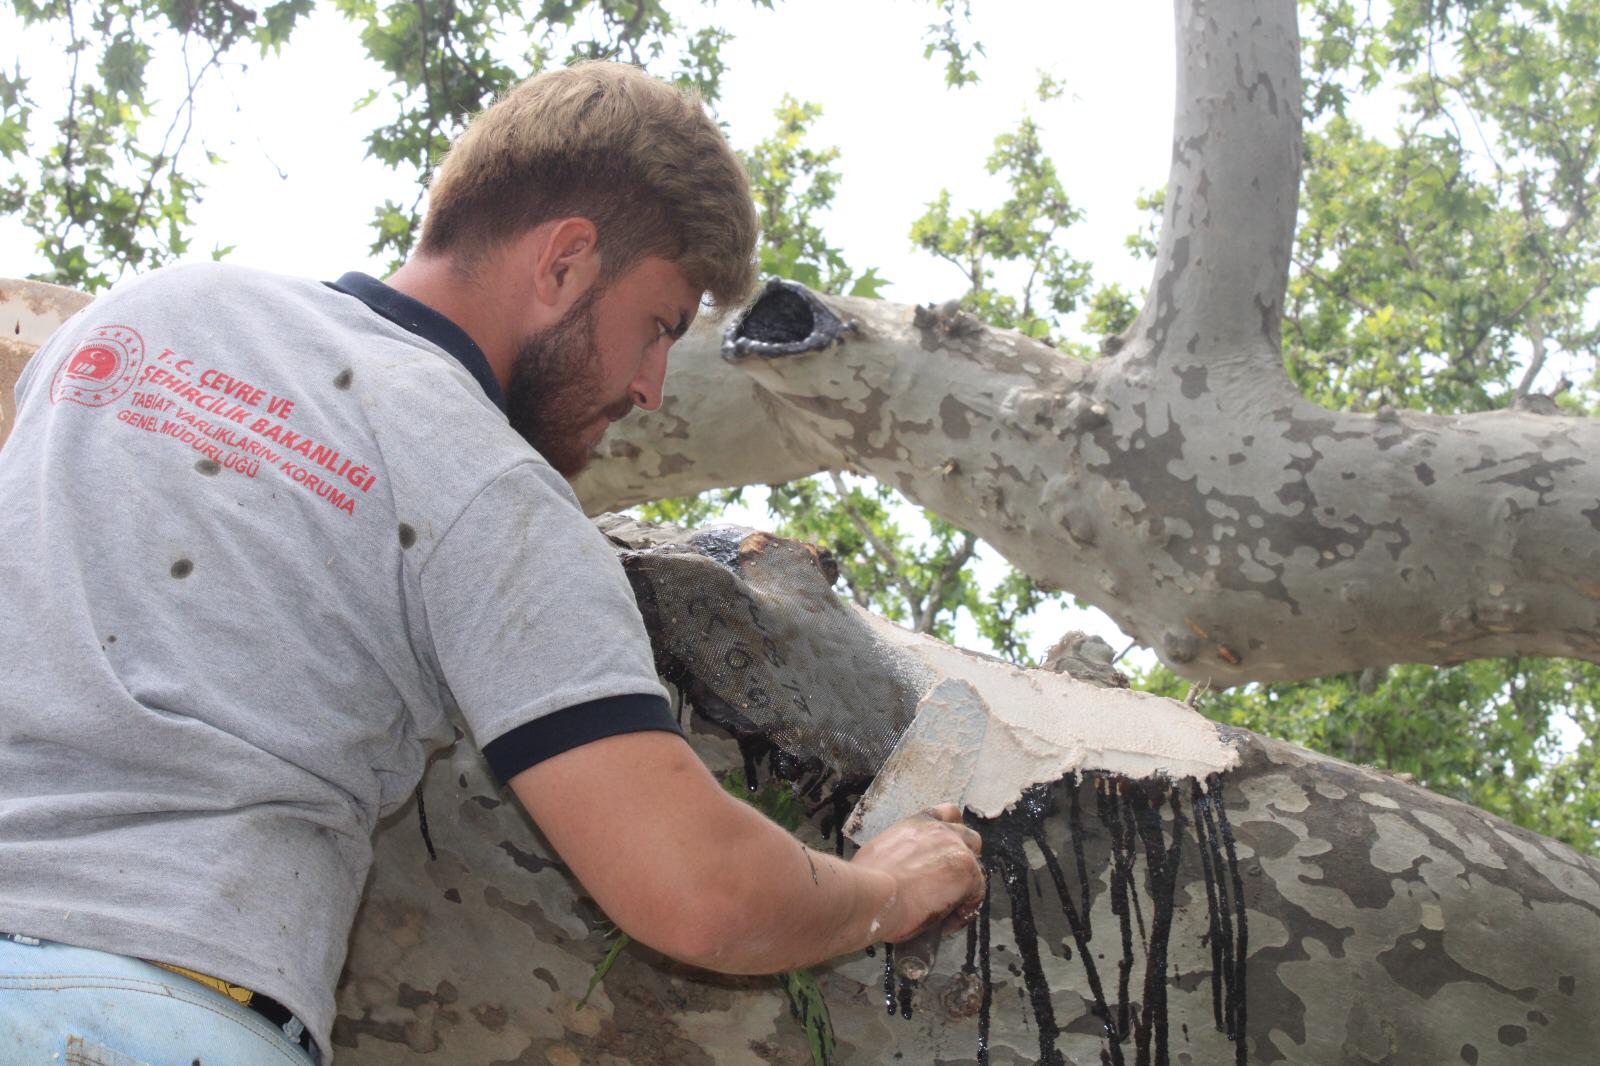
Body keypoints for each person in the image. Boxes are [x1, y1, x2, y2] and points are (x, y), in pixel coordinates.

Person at [0, 61, 984, 1064]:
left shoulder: (146, 316)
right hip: (146, 1013)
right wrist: (888, 891)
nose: (651, 387)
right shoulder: (487, 483)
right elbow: (698, 887)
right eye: (656, 326)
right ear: (564, 260)